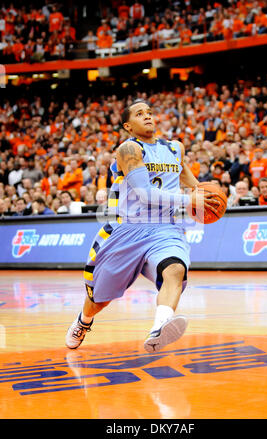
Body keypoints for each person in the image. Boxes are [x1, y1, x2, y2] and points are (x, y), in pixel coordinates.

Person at [65, 99, 220, 352]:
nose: (147, 116)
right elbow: (145, 193)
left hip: (165, 228)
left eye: (149, 112)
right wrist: (188, 198)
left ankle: (160, 327)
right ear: (128, 125)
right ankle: (84, 320)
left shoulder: (174, 148)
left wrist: (209, 198)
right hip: (128, 230)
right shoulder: (129, 149)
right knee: (99, 301)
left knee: (175, 270)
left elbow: (190, 181)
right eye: (139, 114)